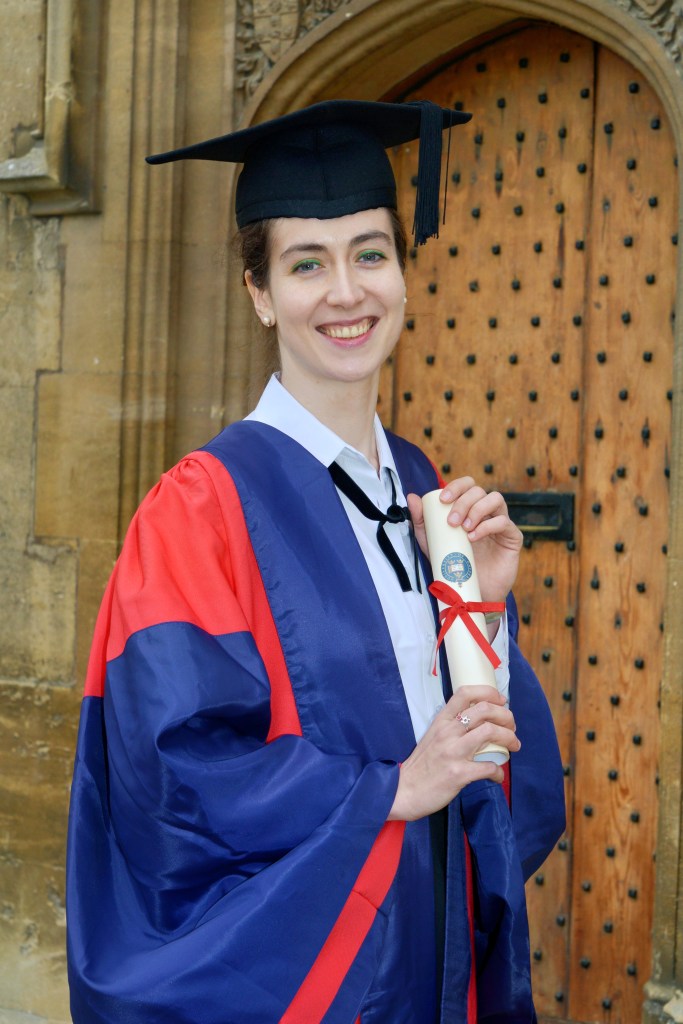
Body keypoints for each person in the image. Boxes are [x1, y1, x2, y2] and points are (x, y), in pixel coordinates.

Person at [66, 99, 565, 1024]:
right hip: (312, 968)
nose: (346, 292)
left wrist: (478, 618)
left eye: (370, 253)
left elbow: (486, 766)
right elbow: (171, 773)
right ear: (258, 293)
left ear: (404, 277)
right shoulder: (202, 506)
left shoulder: (419, 487)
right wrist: (392, 788)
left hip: (430, 945)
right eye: (306, 263)